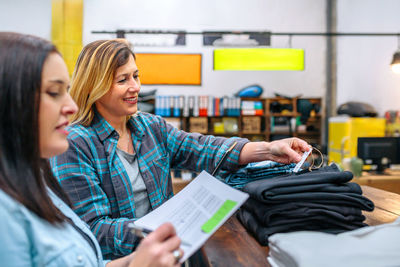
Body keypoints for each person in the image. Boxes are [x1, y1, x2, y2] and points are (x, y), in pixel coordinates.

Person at [50, 38, 310, 259]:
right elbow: (92, 229)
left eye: (136, 76)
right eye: (122, 80)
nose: (136, 87)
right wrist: (162, 229)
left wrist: (268, 149)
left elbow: (201, 148)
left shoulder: (150, 127)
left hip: (170, 255)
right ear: (96, 85)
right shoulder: (75, 144)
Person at [0, 32, 183, 267]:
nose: (71, 105)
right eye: (54, 92)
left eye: (136, 76)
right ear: (10, 101)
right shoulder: (7, 214)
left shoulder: (37, 184)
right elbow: (96, 227)